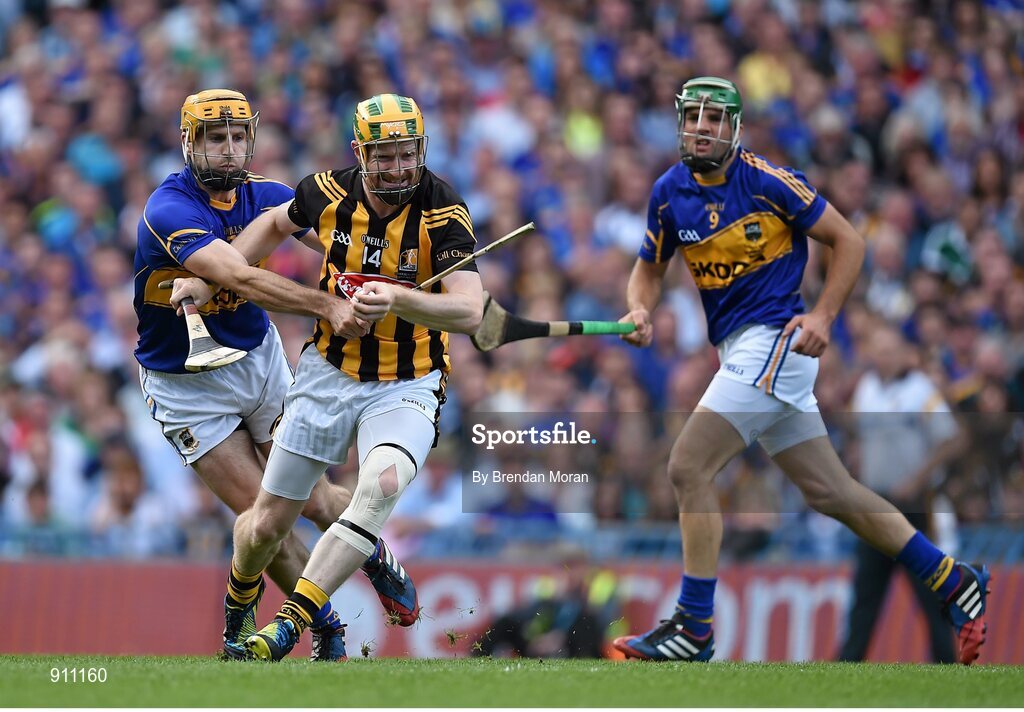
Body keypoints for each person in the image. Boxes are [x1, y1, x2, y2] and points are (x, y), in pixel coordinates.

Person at [611, 77, 990, 665]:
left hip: (776, 341)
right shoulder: (668, 191)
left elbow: (850, 241)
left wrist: (825, 314)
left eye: (716, 119)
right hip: (736, 348)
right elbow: (648, 267)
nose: (703, 128)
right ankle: (950, 578)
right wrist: (640, 307)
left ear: (735, 129)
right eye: (694, 117)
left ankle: (694, 625)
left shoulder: (766, 181)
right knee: (831, 492)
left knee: (688, 465)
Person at [172, 93, 483, 662]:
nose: (398, 168)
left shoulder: (444, 211)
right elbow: (271, 223)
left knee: (380, 485)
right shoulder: (325, 192)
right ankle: (242, 603)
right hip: (327, 375)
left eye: (407, 154)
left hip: (408, 382)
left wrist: (400, 299)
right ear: (361, 153)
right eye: (385, 155)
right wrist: (219, 280)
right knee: (265, 525)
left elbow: (469, 312)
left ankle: (293, 627)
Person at [838, 325, 962, 663]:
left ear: (904, 353)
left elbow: (950, 439)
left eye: (890, 350)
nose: (883, 357)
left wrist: (918, 479)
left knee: (928, 593)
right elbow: (858, 437)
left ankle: (945, 663)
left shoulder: (921, 390)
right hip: (875, 506)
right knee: (865, 595)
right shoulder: (865, 389)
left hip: (911, 506)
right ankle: (848, 664)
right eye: (878, 350)